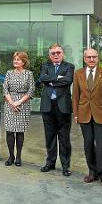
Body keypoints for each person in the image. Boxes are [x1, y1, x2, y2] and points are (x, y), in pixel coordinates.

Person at [72, 49, 102, 188]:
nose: (91, 59)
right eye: (89, 57)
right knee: (88, 144)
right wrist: (76, 113)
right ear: (84, 59)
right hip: (84, 114)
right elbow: (75, 95)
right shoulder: (78, 73)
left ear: (98, 58)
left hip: (101, 114)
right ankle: (92, 172)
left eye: (94, 57)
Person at [39, 43, 75, 176]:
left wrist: (51, 80)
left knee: (64, 138)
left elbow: (68, 80)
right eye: (53, 53)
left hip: (63, 106)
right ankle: (50, 162)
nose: (56, 55)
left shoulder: (69, 66)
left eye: (58, 53)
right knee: (50, 136)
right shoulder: (45, 66)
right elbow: (42, 78)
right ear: (49, 55)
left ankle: (66, 166)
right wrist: (58, 78)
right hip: (47, 106)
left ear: (62, 54)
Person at [2, 51, 34, 167]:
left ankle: (19, 156)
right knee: (10, 131)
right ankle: (11, 156)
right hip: (10, 103)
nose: (15, 61)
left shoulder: (29, 74)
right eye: (14, 59)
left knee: (20, 132)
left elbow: (31, 90)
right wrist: (12, 103)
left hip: (23, 104)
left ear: (24, 61)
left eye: (18, 60)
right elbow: (5, 89)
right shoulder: (9, 73)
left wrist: (19, 102)